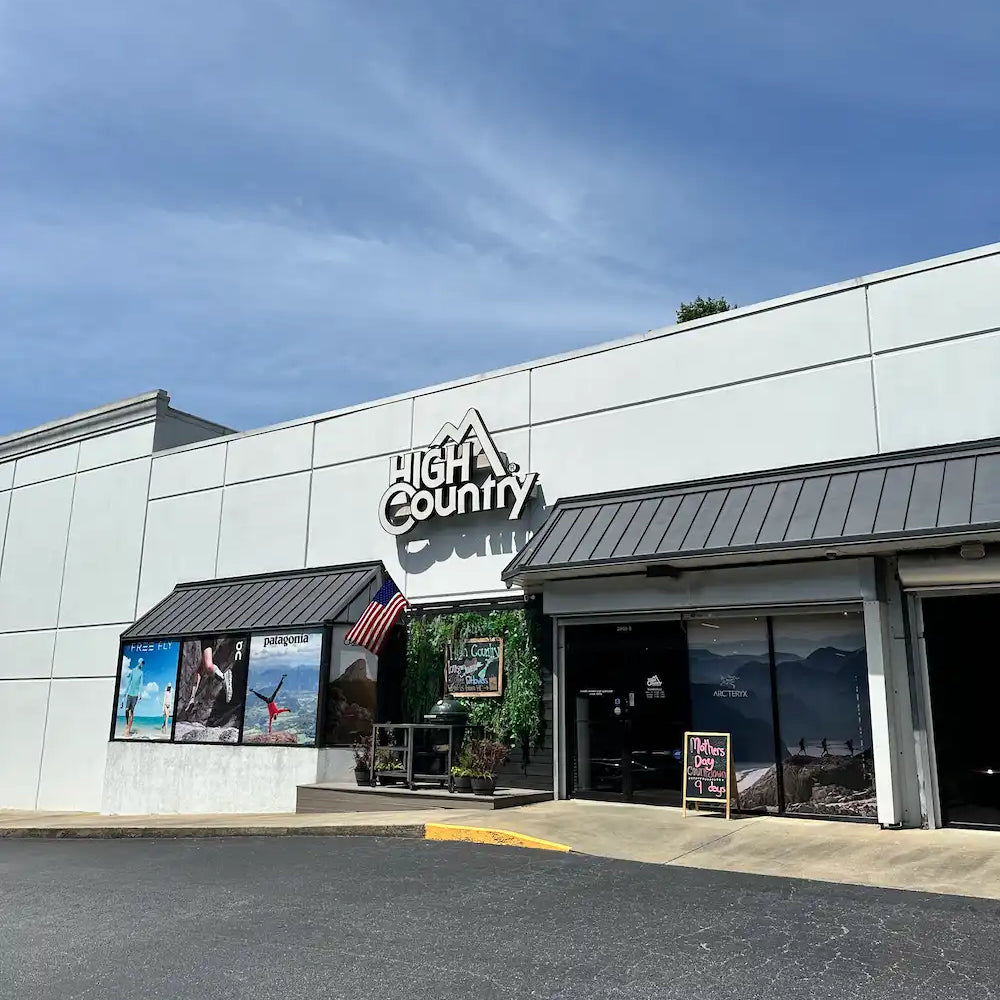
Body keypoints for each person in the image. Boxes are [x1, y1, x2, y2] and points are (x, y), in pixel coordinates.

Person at [186, 639, 233, 710]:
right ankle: (192, 698)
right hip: (204, 638)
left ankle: (224, 677)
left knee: (208, 667)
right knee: (199, 671)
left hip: (207, 638)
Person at [123, 657, 144, 737]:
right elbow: (129, 682)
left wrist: (140, 694)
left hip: (135, 695)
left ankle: (128, 729)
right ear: (139, 662)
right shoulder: (133, 671)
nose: (142, 664)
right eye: (142, 663)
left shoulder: (141, 673)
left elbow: (141, 684)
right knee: (126, 710)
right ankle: (127, 724)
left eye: (143, 663)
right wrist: (125, 693)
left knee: (131, 711)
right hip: (129, 694)